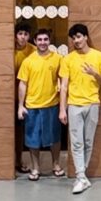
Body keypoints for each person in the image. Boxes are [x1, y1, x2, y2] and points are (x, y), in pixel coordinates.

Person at [55, 23, 101, 194]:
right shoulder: (68, 59)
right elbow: (64, 86)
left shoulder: (99, 56)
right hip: (74, 105)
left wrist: (94, 73)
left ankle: (82, 175)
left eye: (79, 37)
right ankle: (80, 177)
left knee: (88, 141)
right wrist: (62, 109)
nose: (76, 41)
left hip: (93, 103)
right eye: (73, 38)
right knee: (76, 142)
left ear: (86, 37)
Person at [15, 27, 67, 181]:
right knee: (33, 140)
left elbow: (64, 82)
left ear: (49, 41)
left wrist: (63, 106)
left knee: (55, 138)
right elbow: (22, 84)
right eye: (40, 40)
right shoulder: (28, 61)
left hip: (52, 105)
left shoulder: (58, 59)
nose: (43, 42)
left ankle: (56, 165)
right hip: (32, 106)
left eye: (45, 39)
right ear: (35, 41)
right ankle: (35, 168)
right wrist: (20, 106)